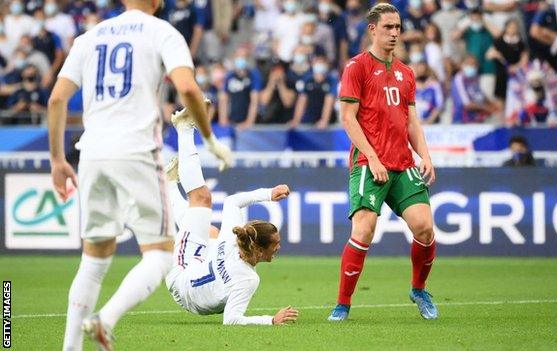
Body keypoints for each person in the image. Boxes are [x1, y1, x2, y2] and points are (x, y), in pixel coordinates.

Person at [47, 0, 233, 349]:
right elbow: (189, 89)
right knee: (161, 255)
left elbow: (57, 99)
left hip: (92, 154)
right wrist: (209, 138)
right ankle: (106, 318)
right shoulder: (162, 31)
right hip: (135, 151)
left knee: (93, 260)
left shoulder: (89, 37)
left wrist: (57, 159)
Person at [328, 3, 438, 322]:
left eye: (398, 27)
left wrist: (425, 155)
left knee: (425, 227)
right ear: (372, 29)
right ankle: (343, 304)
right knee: (364, 230)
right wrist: (372, 157)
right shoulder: (357, 67)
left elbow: (412, 122)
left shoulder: (406, 73)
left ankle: (419, 289)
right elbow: (348, 119)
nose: (394, 33)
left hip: (402, 163)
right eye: (388, 27)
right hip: (368, 162)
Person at [164, 106, 299, 325]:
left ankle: (170, 185)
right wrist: (271, 320)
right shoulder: (248, 278)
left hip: (191, 278)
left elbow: (232, 201)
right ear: (258, 248)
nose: (279, 248)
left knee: (202, 212)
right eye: (275, 244)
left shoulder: (233, 241)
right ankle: (184, 128)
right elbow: (231, 320)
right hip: (182, 276)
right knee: (203, 204)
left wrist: (268, 194)